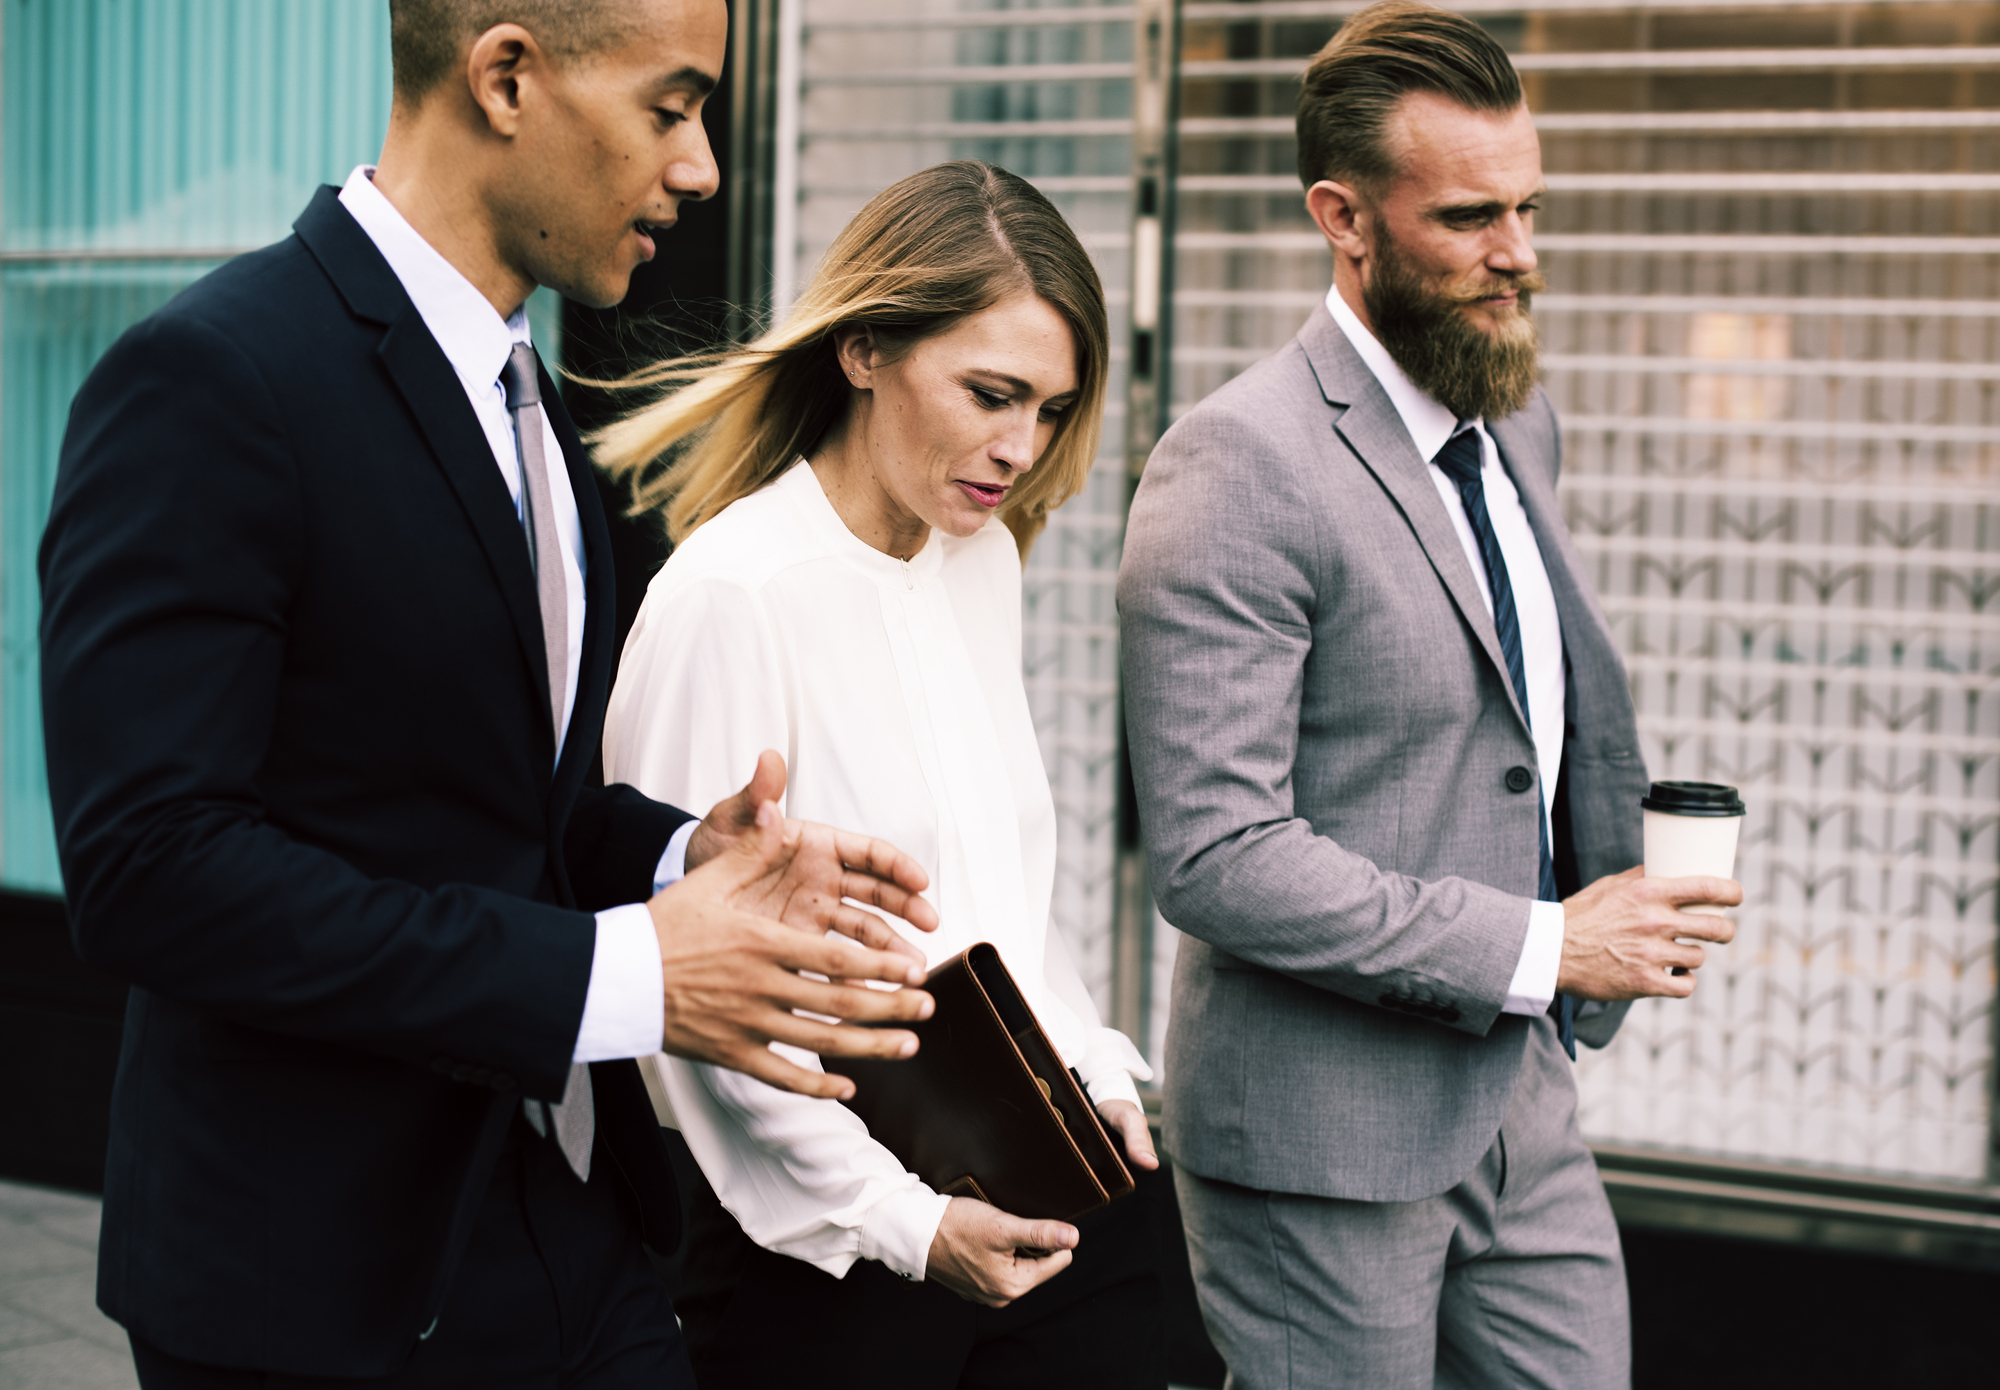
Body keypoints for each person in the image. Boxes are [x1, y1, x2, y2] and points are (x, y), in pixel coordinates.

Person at [38, 3, 946, 1386]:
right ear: (507, 76)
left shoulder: (534, 403)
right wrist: (624, 972)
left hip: (576, 1235)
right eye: (672, 107)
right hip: (316, 1289)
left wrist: (674, 852)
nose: (700, 167)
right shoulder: (213, 377)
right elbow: (152, 868)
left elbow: (498, 800)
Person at [1116, 5, 1745, 1387]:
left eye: (1528, 206)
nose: (1517, 251)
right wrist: (1543, 943)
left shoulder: (1519, 418)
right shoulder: (1234, 461)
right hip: (1316, 1140)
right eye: (1469, 216)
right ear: (1342, 218)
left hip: (1523, 1096)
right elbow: (1217, 857)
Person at [595, 161, 1166, 1389]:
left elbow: (1000, 889)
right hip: (822, 1261)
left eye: (1054, 411)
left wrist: (1093, 1065)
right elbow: (701, 1007)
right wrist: (906, 1226)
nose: (1020, 449)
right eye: (990, 393)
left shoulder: (979, 564)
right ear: (862, 349)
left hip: (1027, 1198)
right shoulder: (730, 596)